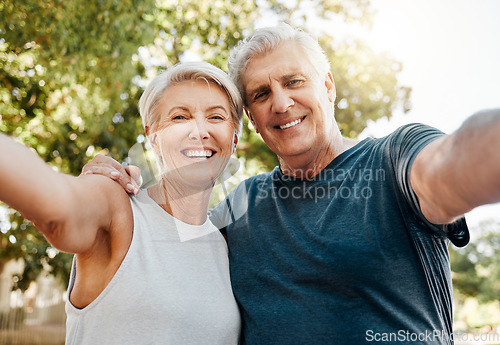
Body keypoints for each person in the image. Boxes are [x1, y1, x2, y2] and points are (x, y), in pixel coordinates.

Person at [84, 24, 500, 345]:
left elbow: (454, 163)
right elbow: (165, 241)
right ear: (250, 120)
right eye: (261, 94)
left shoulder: (394, 159)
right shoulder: (242, 204)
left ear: (328, 86)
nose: (280, 103)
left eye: (294, 81)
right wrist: (109, 181)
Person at [0, 61, 243, 345]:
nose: (199, 131)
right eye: (179, 117)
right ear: (153, 136)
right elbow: (54, 201)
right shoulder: (118, 206)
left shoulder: (227, 244)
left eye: (216, 117)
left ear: (234, 138)